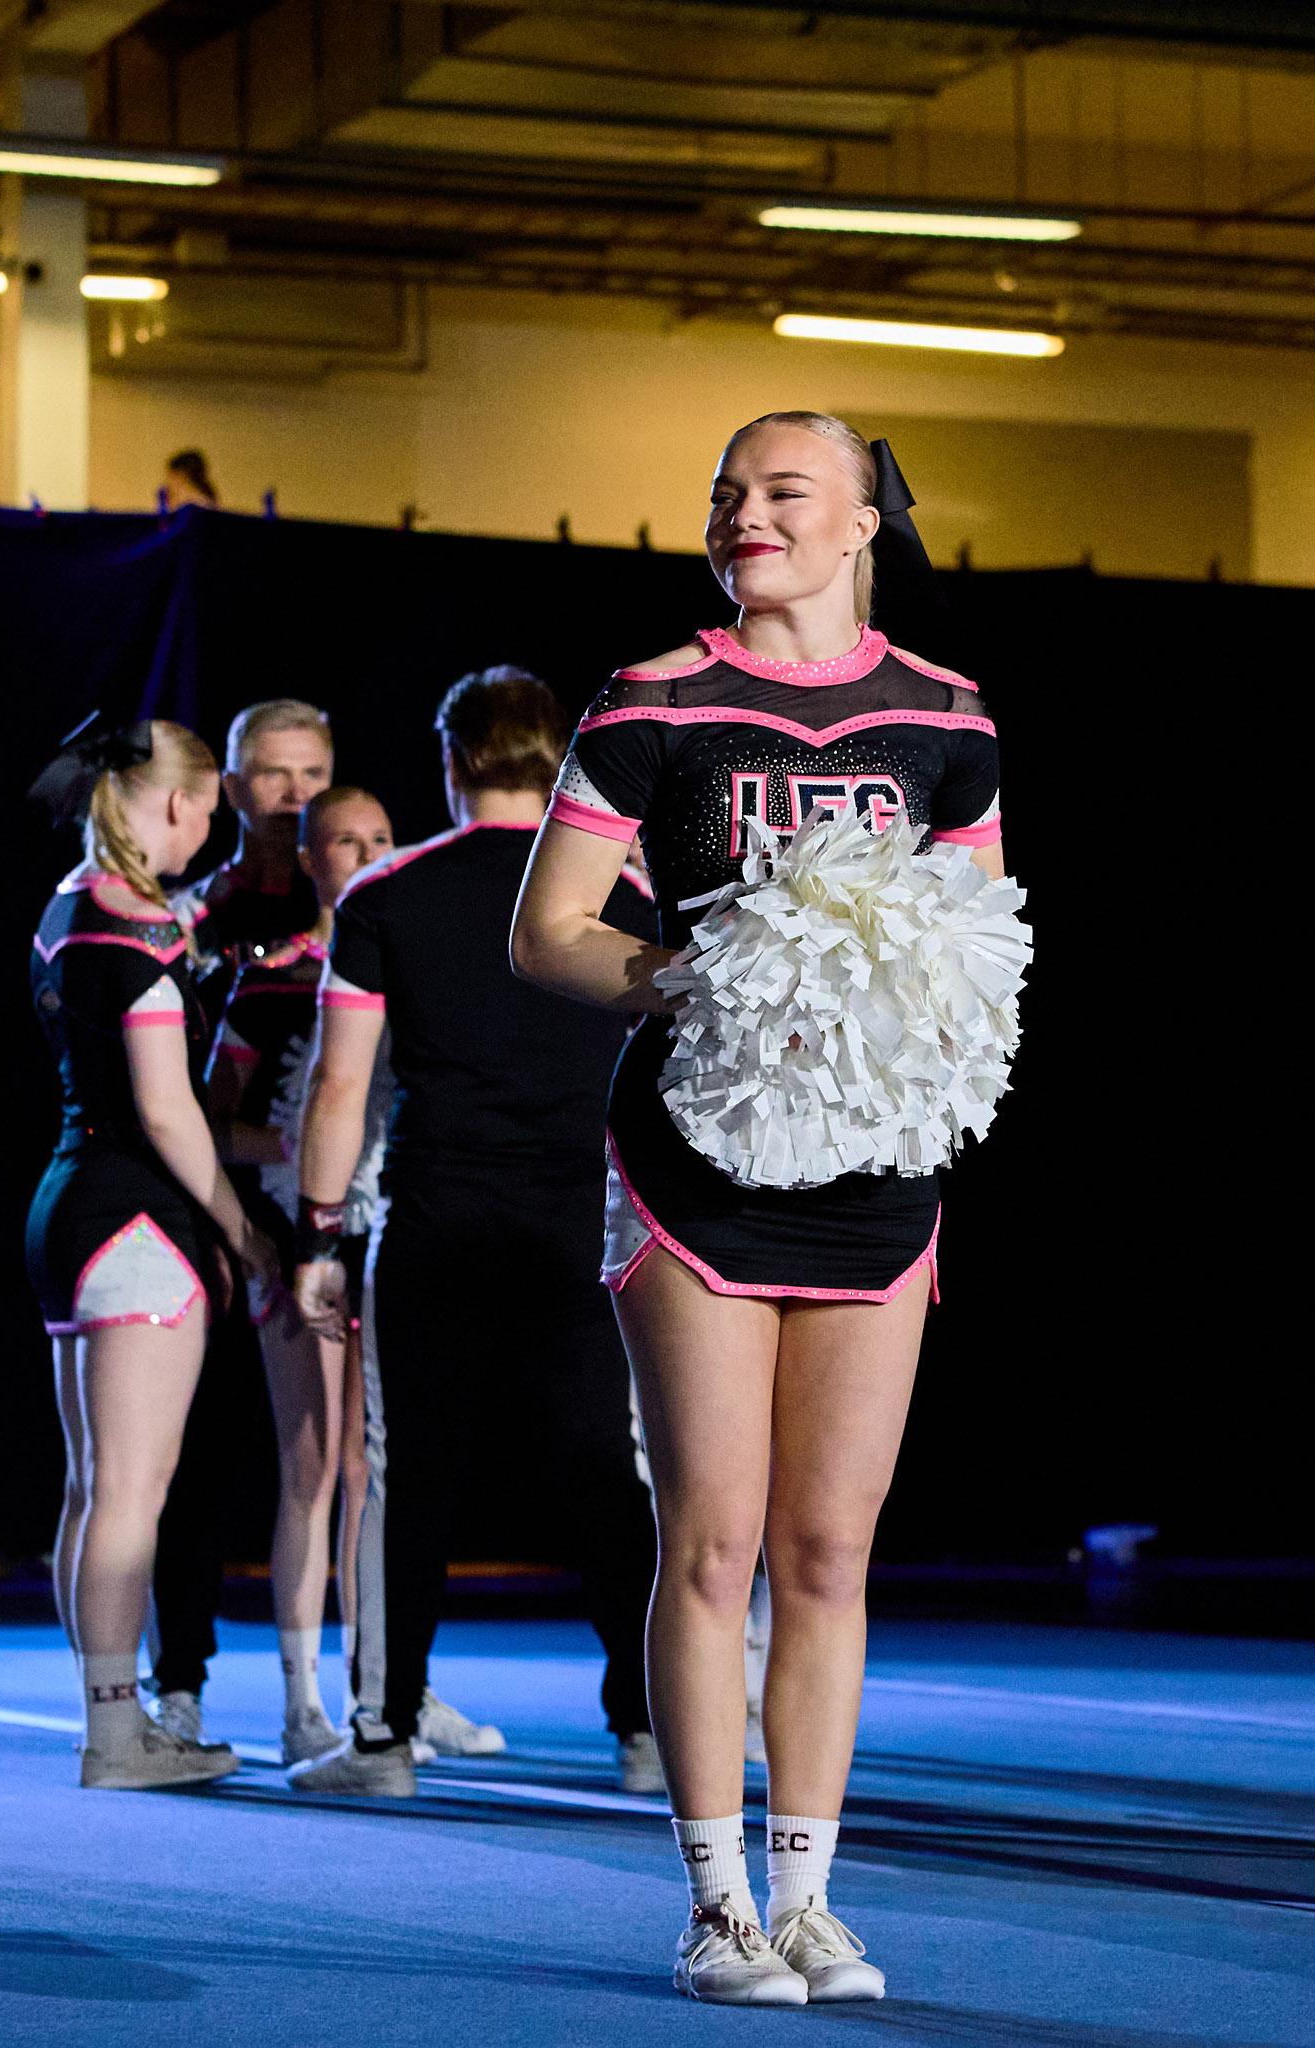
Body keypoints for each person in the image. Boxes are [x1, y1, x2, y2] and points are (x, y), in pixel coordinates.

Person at [510, 412, 1004, 2004]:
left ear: (863, 524)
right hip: (696, 1157)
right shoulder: (652, 699)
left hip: (875, 1168)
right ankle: (715, 1904)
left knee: (829, 1548)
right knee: (714, 1539)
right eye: (727, 493)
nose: (745, 515)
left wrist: (899, 1016)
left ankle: (810, 1899)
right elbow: (549, 932)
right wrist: (714, 982)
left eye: (785, 491)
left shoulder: (947, 716)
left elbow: (978, 940)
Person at [289, 668, 663, 1799]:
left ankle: (384, 1738)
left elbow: (339, 1088)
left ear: (451, 763)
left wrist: (318, 1233)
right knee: (606, 1469)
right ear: (558, 766)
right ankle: (649, 1732)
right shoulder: (626, 894)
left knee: (409, 1478)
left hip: (435, 1216)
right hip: (581, 1223)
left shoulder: (385, 894)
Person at [23, 718, 279, 1789]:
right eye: (210, 809)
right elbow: (171, 1112)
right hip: (135, 1223)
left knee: (94, 1487)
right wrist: (242, 1231)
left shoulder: (70, 904)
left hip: (70, 1207)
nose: (208, 828)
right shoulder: (135, 934)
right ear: (179, 803)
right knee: (129, 1490)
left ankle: (111, 1721)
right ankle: (116, 1736)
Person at [147, 699, 333, 1746]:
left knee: (350, 1464)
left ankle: (378, 1692)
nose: (295, 797)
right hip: (215, 1220)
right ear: (228, 787)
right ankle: (178, 1679)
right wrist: (261, 1164)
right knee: (203, 1453)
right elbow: (172, 1100)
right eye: (273, 774)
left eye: (313, 775)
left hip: (337, 1223)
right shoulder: (190, 919)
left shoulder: (358, 910)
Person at [204, 785, 394, 1766]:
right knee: (312, 1463)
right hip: (295, 1234)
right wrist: (296, 1149)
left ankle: (378, 1692)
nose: (364, 854)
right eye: (343, 841)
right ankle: (299, 1700)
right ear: (309, 858)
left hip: (387, 1230)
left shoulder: (410, 962)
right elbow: (211, 1123)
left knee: (372, 1470)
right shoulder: (272, 979)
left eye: (380, 838)